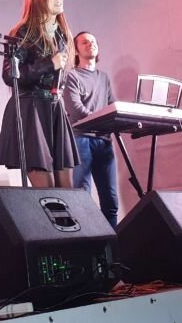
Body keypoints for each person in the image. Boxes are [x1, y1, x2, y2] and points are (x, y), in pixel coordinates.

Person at [0, 0, 78, 188]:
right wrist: (49, 64)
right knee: (47, 190)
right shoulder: (23, 32)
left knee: (67, 189)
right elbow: (10, 75)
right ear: (39, 0)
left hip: (54, 109)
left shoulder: (61, 34)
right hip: (31, 111)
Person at [63, 32, 119, 226]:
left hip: (104, 141)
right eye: (85, 42)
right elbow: (76, 109)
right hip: (82, 139)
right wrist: (103, 120)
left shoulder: (103, 77)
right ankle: (88, 239)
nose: (90, 44)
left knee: (110, 199)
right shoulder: (72, 75)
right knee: (82, 196)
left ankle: (113, 241)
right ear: (76, 50)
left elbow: (112, 105)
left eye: (93, 41)